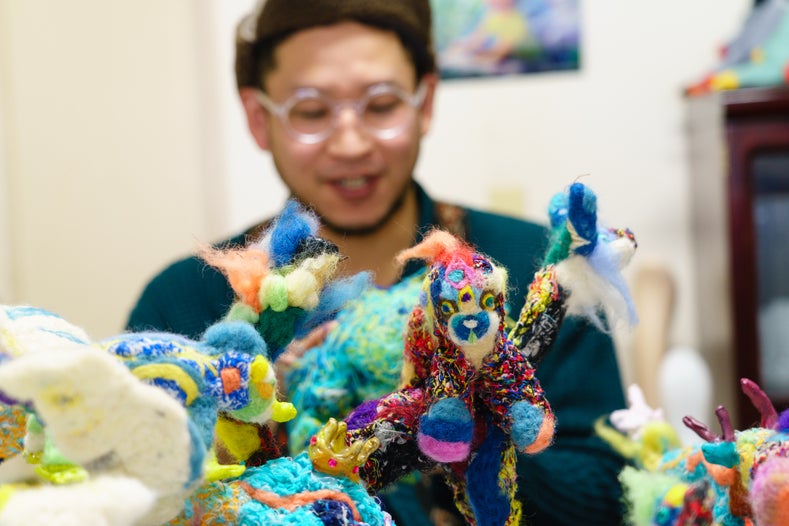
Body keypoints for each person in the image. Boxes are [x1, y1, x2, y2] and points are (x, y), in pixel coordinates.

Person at [126, 1, 627, 524]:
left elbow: (607, 494)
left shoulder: (536, 274)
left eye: (382, 104)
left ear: (425, 103)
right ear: (259, 118)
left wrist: (463, 434)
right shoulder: (183, 302)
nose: (351, 143)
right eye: (311, 111)